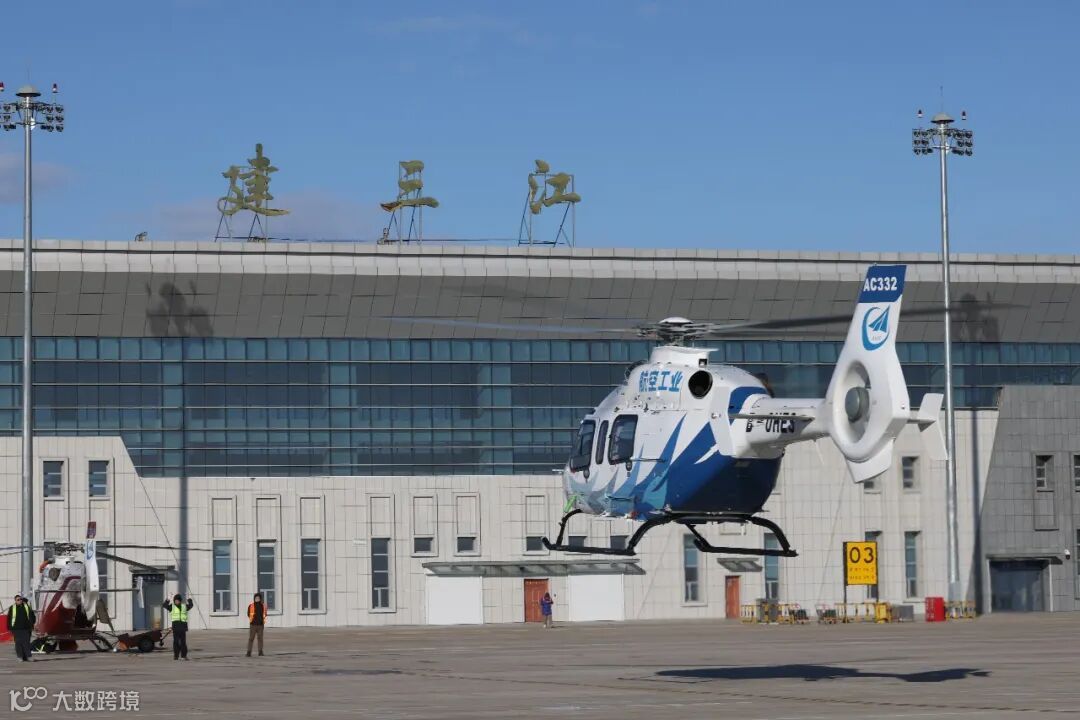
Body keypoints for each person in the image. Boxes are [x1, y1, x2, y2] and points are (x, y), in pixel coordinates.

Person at [162, 594, 193, 660]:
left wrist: (189, 599)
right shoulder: (172, 607)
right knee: (176, 642)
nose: (177, 601)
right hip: (175, 626)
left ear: (180, 601)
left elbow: (191, 605)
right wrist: (168, 599)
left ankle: (183, 656)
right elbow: (164, 605)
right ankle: (176, 656)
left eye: (178, 600)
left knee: (183, 642)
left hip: (183, 626)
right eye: (175, 600)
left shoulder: (184, 606)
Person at [6, 595, 36, 662]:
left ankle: (28, 656)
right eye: (18, 600)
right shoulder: (12, 608)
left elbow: (32, 616)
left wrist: (32, 624)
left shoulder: (27, 607)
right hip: (16, 628)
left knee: (26, 643)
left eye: (21, 599)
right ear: (15, 601)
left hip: (26, 628)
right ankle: (20, 656)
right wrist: (9, 627)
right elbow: (9, 618)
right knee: (18, 643)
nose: (20, 601)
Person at [246, 592, 267, 657]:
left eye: (258, 598)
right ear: (254, 599)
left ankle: (260, 652)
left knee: (260, 639)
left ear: (260, 599)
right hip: (253, 625)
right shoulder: (251, 606)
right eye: (256, 598)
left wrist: (261, 621)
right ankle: (249, 652)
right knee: (251, 639)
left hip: (260, 625)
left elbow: (265, 614)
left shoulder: (263, 606)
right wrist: (253, 619)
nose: (257, 599)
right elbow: (248, 614)